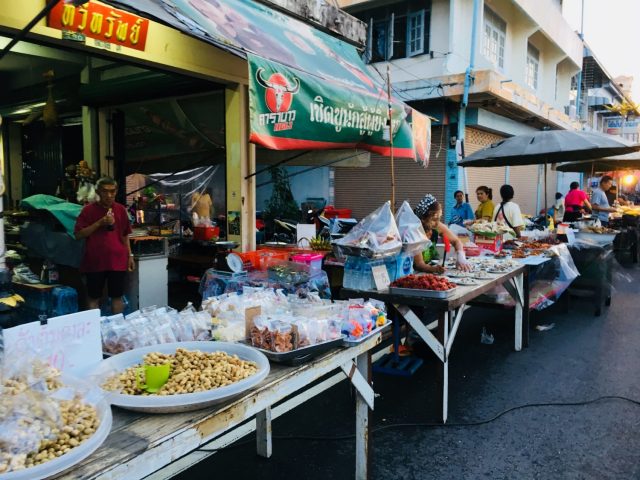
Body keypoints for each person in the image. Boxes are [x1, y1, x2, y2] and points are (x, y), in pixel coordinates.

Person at [74, 177, 134, 314]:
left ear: (116, 191)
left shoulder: (120, 210)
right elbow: (78, 235)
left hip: (117, 261)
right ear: (97, 192)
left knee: (117, 297)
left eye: (112, 191)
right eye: (105, 191)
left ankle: (117, 330)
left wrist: (130, 255)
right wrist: (99, 223)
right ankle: (93, 330)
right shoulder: (88, 211)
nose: (109, 195)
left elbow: (125, 235)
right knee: (93, 297)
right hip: (95, 261)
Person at [413, 194, 472, 273]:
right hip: (415, 272)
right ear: (423, 218)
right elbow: (419, 264)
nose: (437, 223)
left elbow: (456, 241)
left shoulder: (436, 225)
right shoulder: (414, 231)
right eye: (433, 219)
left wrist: (460, 256)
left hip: (432, 266)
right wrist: (435, 269)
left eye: (438, 219)